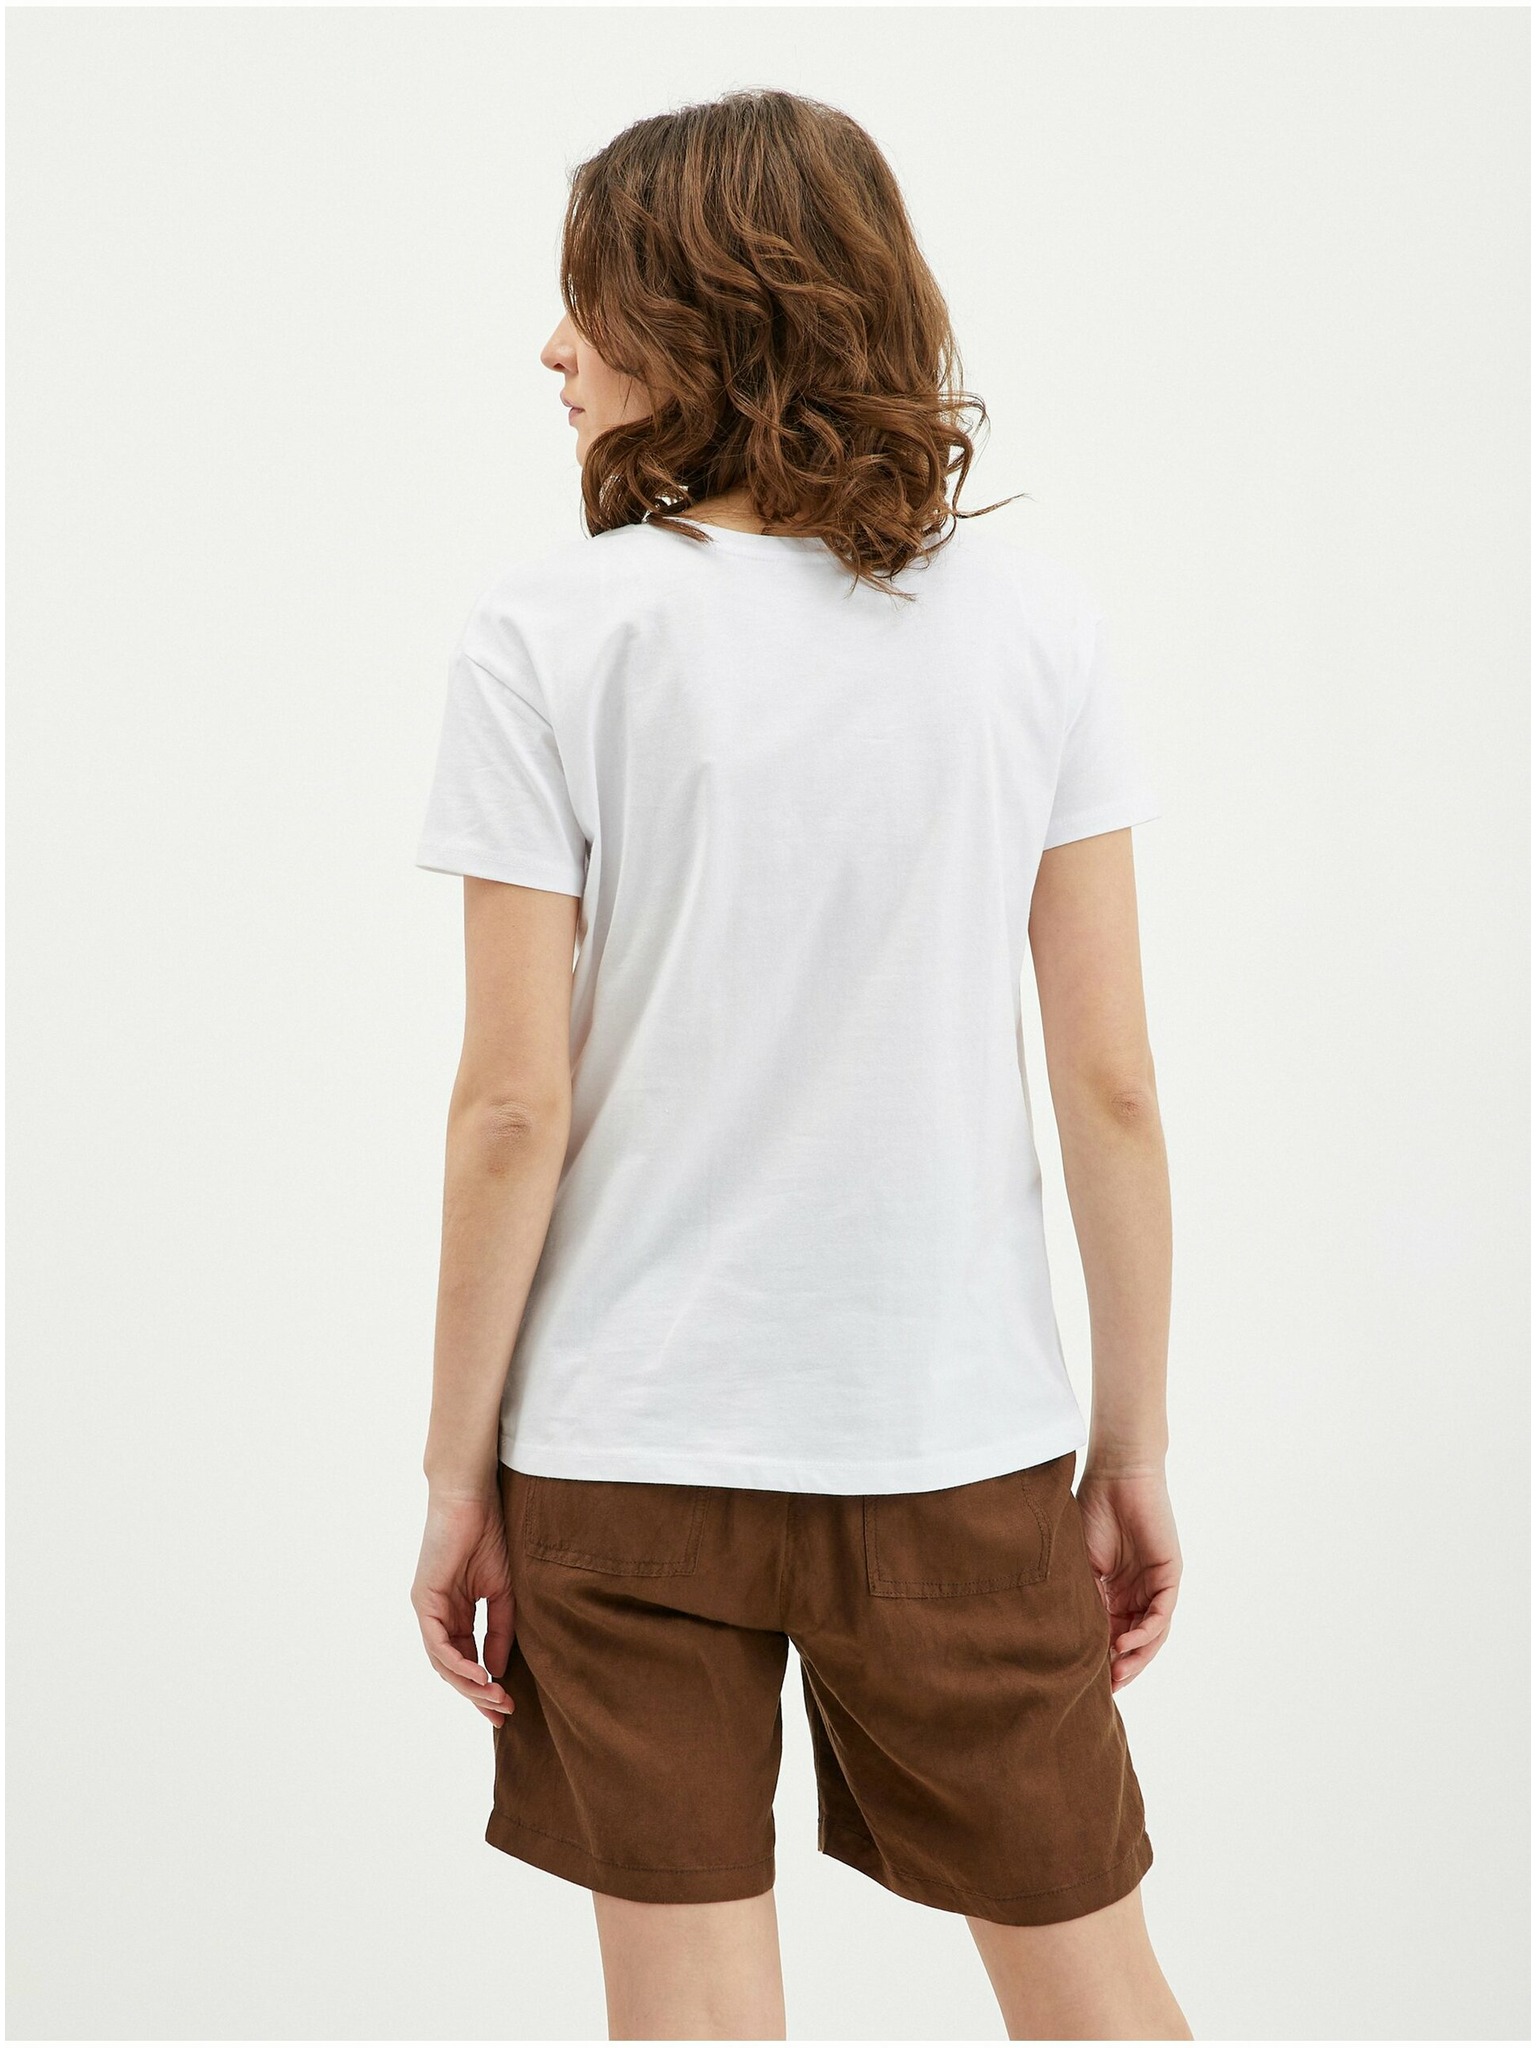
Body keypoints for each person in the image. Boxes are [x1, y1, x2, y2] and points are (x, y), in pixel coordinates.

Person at [410, 88, 1190, 2043]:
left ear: (695, 316)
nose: (552, 349)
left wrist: (453, 1471)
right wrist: (1131, 1444)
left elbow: (511, 1107)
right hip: (950, 1432)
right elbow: (1110, 1083)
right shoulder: (1032, 628)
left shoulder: (550, 633)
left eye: (587, 299)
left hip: (625, 1444)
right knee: (1099, 2001)